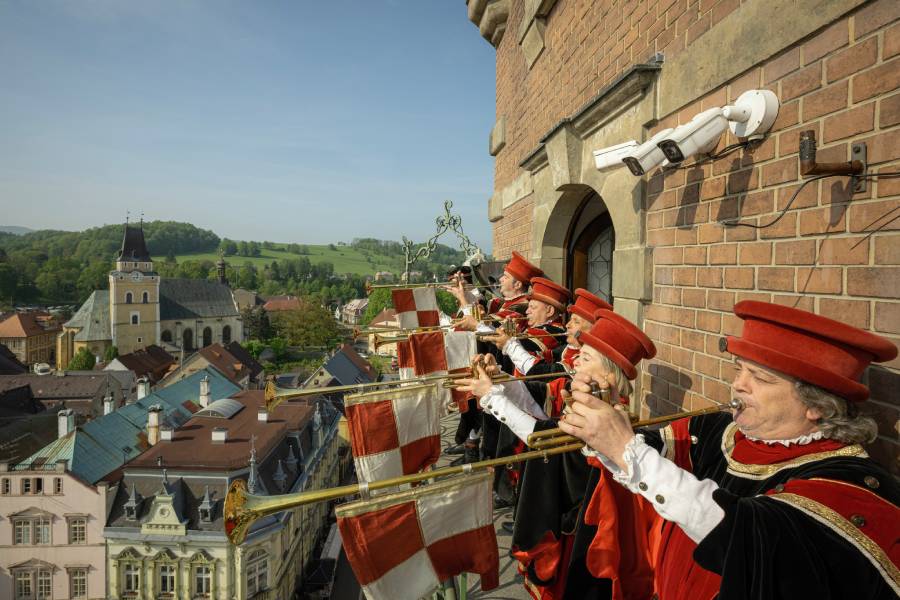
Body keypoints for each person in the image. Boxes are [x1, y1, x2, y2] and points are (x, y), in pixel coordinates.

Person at [559, 300, 900, 599]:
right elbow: (648, 449)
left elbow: (748, 536)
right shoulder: (721, 431)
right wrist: (599, 411)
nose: (738, 384)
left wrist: (624, 448)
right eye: (740, 370)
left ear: (818, 406)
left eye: (760, 378)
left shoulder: (850, 484)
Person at [458, 308, 657, 599]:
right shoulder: (590, 399)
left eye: (585, 358)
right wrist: (500, 380)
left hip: (587, 534)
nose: (575, 360)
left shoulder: (607, 416)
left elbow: (544, 437)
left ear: (608, 375)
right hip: (570, 521)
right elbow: (543, 417)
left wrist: (491, 396)